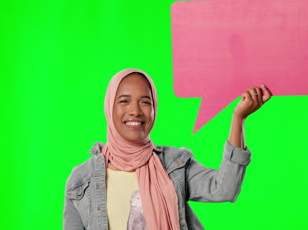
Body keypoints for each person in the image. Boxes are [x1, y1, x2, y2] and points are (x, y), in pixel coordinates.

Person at [63, 68, 271, 230]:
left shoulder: (174, 165)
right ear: (109, 107)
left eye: (145, 102)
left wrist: (238, 118)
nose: (135, 111)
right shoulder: (83, 179)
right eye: (124, 101)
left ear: (154, 110)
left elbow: (225, 189)